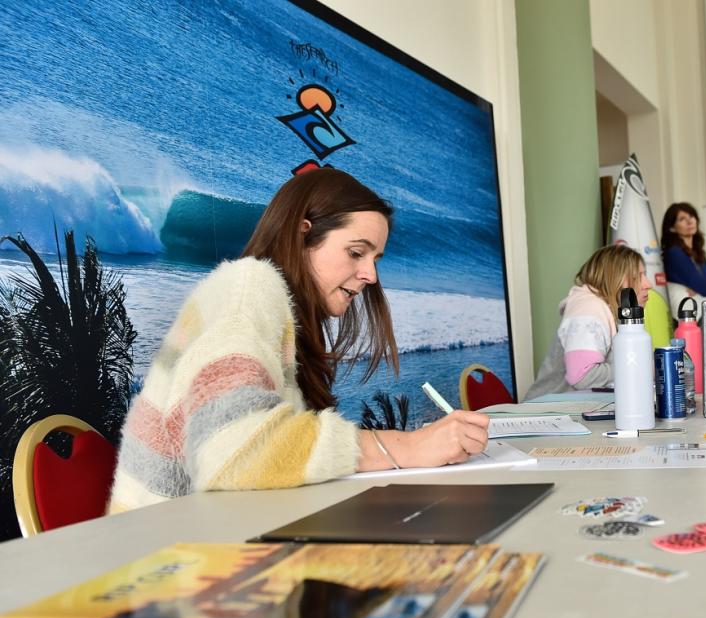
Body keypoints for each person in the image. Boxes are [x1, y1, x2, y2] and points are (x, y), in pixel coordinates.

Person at [109, 168, 489, 513]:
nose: (370, 274)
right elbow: (236, 452)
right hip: (165, 553)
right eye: (356, 252)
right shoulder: (247, 289)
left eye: (376, 258)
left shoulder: (277, 307)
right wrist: (405, 448)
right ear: (303, 232)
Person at [524, 245, 651, 400]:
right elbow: (582, 376)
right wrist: (638, 366)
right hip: (545, 414)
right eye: (637, 276)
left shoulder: (609, 311)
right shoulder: (589, 310)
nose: (647, 284)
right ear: (613, 277)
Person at [660, 202, 706, 299]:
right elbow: (702, 287)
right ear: (672, 228)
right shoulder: (674, 253)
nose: (689, 221)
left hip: (703, 306)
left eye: (691, 216)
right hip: (689, 309)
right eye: (682, 219)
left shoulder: (696, 252)